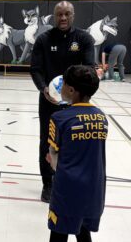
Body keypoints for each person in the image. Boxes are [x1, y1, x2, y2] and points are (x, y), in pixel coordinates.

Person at [30, 1, 95, 203]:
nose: (63, 18)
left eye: (67, 14)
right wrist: (44, 89)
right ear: (54, 16)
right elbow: (36, 69)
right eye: (59, 14)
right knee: (47, 142)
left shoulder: (84, 39)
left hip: (77, 104)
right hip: (49, 102)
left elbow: (91, 68)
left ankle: (68, 179)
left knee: (74, 141)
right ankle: (48, 183)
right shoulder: (43, 40)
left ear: (73, 15)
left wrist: (80, 94)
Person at [47, 65, 107, 242]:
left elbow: (54, 158)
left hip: (67, 190)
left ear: (71, 90)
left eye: (63, 83)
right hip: (94, 190)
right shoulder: (101, 117)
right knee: (82, 232)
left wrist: (51, 159)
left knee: (58, 234)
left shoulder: (59, 118)